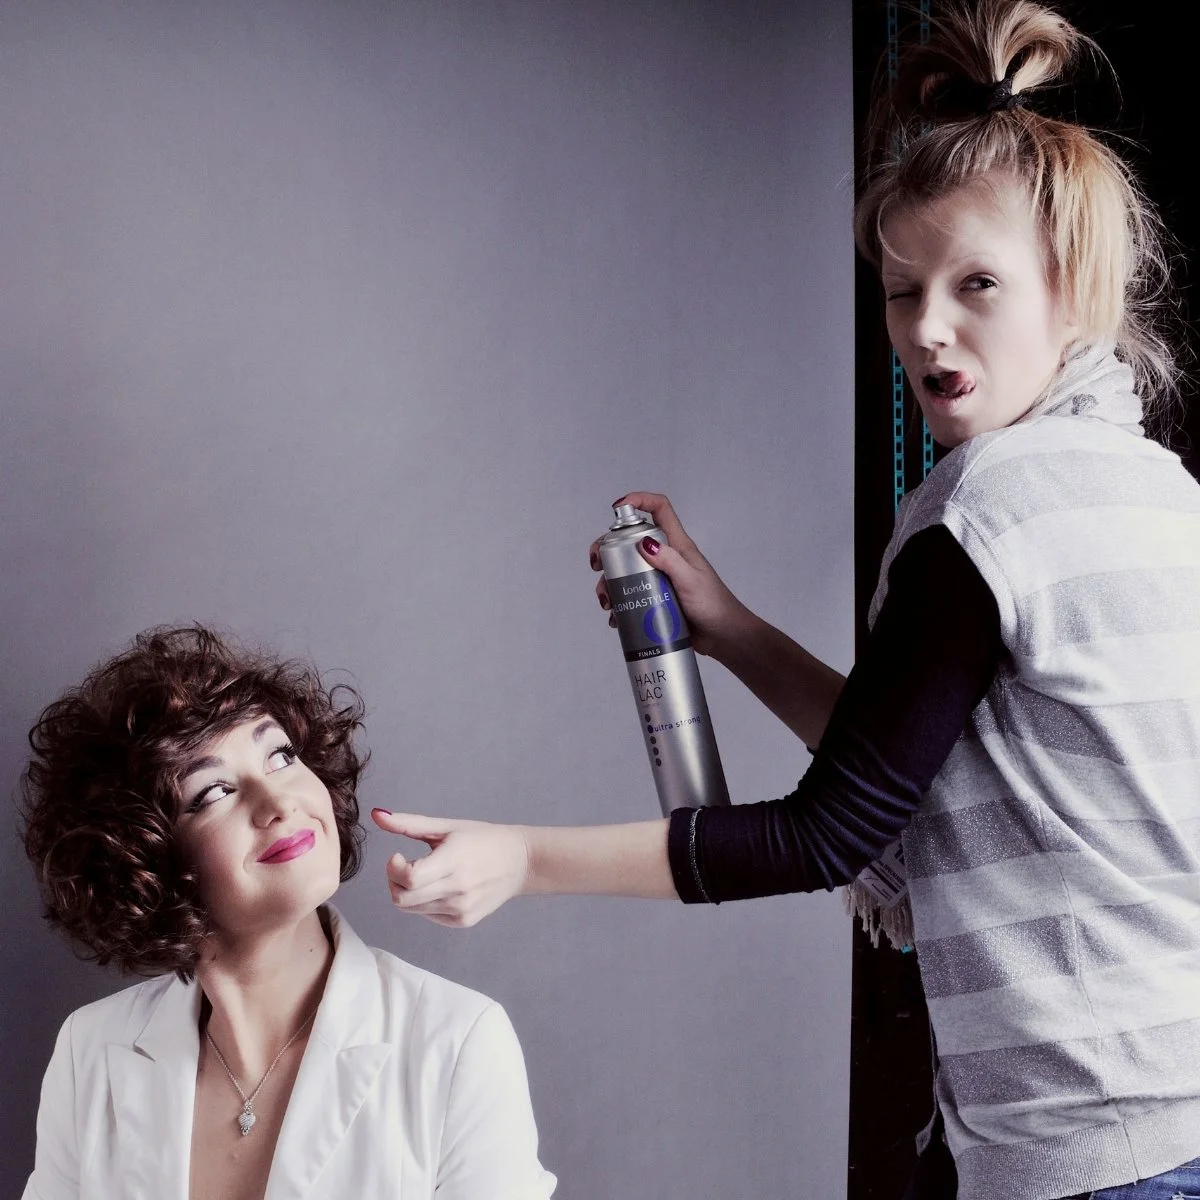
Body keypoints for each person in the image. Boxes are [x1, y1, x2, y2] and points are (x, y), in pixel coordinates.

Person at [368, 2, 1200, 1198]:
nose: (929, 330)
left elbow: (831, 831)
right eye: (902, 290)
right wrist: (732, 630)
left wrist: (522, 860)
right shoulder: (1155, 491)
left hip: (1097, 1147)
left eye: (977, 285)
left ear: (1074, 287)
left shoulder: (989, 512)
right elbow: (930, 760)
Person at [19, 625, 556, 1200]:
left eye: (280, 755)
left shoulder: (457, 1042)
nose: (278, 803)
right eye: (213, 793)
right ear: (150, 858)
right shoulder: (90, 1052)